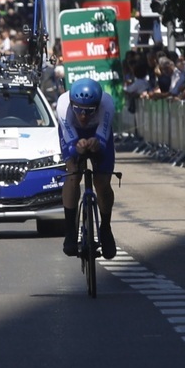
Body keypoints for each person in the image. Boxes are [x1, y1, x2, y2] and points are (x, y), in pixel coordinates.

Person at [56, 78, 117, 259]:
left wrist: (97, 144)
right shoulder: (63, 105)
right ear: (72, 104)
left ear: (97, 106)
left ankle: (105, 228)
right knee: (73, 173)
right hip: (73, 133)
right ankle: (70, 231)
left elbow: (103, 141)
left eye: (89, 111)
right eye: (79, 110)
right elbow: (70, 142)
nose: (83, 115)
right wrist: (77, 147)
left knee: (102, 181)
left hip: (97, 132)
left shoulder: (107, 104)